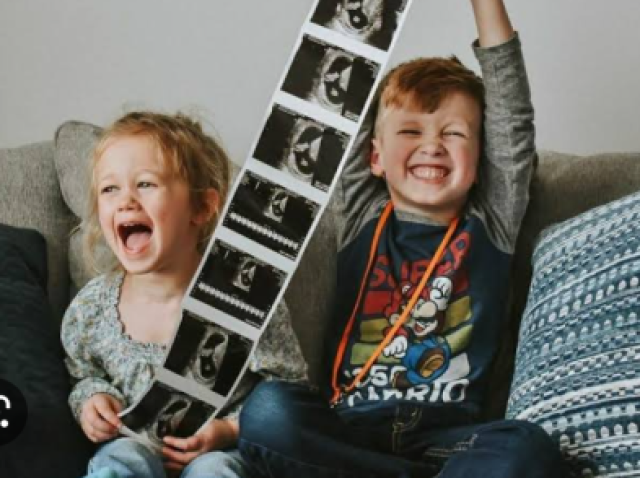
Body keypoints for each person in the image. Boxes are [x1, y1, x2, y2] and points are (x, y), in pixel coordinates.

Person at [238, 1, 567, 477]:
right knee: (267, 411)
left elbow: (511, 111)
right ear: (374, 157)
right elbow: (341, 73)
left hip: (450, 442)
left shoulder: (492, 220)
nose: (431, 144)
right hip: (347, 431)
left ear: (483, 161)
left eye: (453, 133)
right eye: (411, 130)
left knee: (527, 447)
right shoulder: (360, 213)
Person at [61, 111, 307, 478]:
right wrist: (92, 401)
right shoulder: (90, 309)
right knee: (122, 459)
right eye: (110, 189)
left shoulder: (245, 301)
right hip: (132, 446)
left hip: (220, 453)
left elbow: (288, 396)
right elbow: (81, 375)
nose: (125, 200)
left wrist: (227, 431)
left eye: (145, 184)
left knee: (216, 471)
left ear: (202, 207)